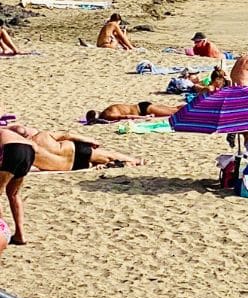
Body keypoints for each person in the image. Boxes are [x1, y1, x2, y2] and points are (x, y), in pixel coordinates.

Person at [6, 124, 142, 171]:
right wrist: (89, 139)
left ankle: (119, 163)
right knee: (107, 155)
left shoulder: (28, 152)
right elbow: (67, 134)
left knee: (98, 161)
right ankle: (135, 161)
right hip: (74, 150)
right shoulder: (43, 136)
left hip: (69, 166)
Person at [0, 126, 34, 244]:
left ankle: (1, 234)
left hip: (12, 149)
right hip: (29, 150)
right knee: (14, 194)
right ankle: (20, 235)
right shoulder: (7, 131)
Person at [84, 101, 182, 124]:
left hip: (143, 110)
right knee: (174, 108)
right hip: (141, 105)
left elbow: (126, 116)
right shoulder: (107, 109)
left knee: (174, 111)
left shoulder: (108, 115)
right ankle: (195, 103)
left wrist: (144, 117)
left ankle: (196, 104)